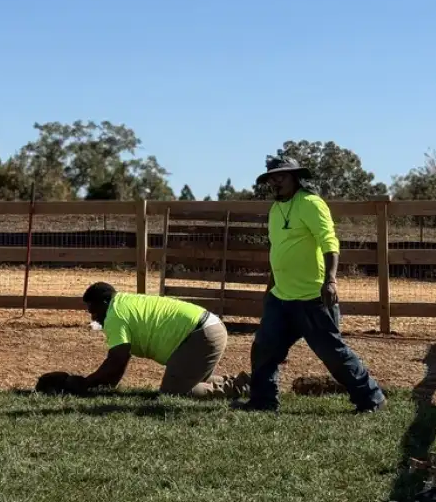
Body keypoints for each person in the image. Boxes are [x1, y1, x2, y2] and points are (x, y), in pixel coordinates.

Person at [242, 156, 385, 414]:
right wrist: (270, 289)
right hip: (281, 297)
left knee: (333, 353)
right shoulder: (275, 210)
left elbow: (329, 242)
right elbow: (278, 250)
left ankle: (370, 398)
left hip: (312, 297)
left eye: (281, 176)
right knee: (264, 348)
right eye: (272, 177)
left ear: (295, 177)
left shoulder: (311, 203)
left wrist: (330, 280)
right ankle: (263, 401)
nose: (276, 182)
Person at [55, 283, 249, 399]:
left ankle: (244, 387)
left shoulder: (114, 316)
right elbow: (121, 359)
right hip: (208, 328)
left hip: (200, 334)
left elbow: (117, 359)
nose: (93, 317)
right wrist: (105, 387)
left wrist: (87, 383)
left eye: (94, 310)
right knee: (190, 381)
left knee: (174, 393)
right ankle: (248, 382)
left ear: (104, 303)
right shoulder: (122, 304)